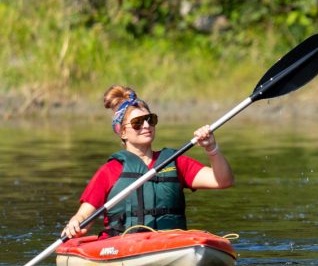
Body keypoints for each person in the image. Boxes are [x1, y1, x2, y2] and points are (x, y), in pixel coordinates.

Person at [61, 85, 234, 239]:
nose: (146, 126)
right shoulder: (110, 170)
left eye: (150, 119)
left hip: (171, 243)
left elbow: (223, 181)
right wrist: (76, 223)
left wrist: (212, 148)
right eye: (137, 123)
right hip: (122, 247)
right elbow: (84, 217)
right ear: (122, 132)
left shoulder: (175, 161)